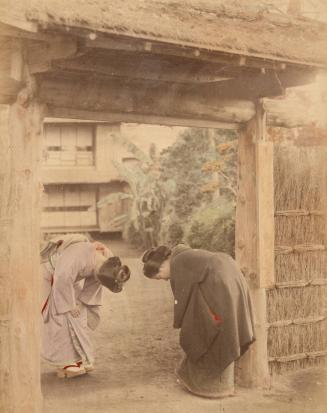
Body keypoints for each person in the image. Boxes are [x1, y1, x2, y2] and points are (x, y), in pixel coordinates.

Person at [142, 244, 255, 398]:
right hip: (231, 277)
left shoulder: (179, 262)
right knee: (227, 327)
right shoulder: (182, 255)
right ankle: (223, 386)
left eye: (160, 277)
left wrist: (182, 323)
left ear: (161, 267)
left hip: (220, 282)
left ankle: (211, 388)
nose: (164, 280)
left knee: (204, 331)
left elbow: (182, 299)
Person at [41, 235, 130, 378]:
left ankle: (80, 358)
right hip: (50, 275)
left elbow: (95, 282)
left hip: (68, 280)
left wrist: (81, 303)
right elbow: (62, 278)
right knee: (60, 316)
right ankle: (65, 364)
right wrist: (70, 305)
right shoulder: (78, 254)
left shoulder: (107, 258)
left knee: (79, 316)